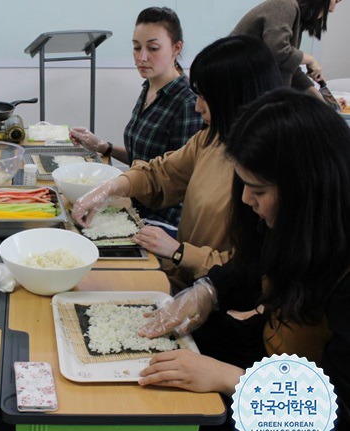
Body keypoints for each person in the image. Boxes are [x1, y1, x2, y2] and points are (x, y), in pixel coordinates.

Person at [137, 88, 350, 431]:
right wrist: (209, 289)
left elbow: (334, 427)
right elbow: (252, 268)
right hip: (272, 368)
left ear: (309, 188)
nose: (249, 202)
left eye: (259, 190)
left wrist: (229, 379)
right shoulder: (299, 224)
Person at [71, 35, 283, 293]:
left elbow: (248, 268)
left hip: (213, 292)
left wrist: (179, 252)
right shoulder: (210, 138)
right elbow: (159, 174)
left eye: (206, 97)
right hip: (183, 277)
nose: (197, 106)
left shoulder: (268, 168)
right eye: (136, 47)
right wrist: (111, 187)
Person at [70, 7, 202, 233]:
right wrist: (102, 146)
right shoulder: (150, 87)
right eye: (136, 47)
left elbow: (172, 176)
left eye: (153, 48)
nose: (142, 57)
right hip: (135, 202)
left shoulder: (187, 103)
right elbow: (144, 158)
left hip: (161, 219)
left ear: (176, 48)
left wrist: (114, 190)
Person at [231, 0, 342, 96]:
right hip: (233, 83)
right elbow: (278, 51)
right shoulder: (285, 5)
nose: (332, 10)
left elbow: (289, 66)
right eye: (336, 1)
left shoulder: (296, 15)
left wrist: (320, 100)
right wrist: (310, 59)